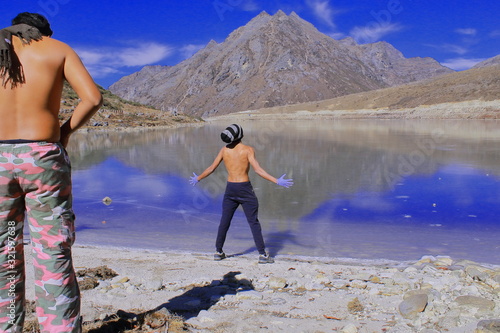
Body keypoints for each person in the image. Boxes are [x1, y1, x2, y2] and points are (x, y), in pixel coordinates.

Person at [0, 12, 102, 333]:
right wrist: (65, 132)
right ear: (43, 31)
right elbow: (93, 99)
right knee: (52, 251)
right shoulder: (58, 48)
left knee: (4, 253)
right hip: (43, 156)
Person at [190, 124, 293, 264]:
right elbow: (258, 170)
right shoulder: (248, 150)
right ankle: (263, 255)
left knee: (224, 221)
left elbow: (211, 168)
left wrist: (198, 178)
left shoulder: (224, 150)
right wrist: (276, 180)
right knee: (253, 222)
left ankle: (218, 252)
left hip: (230, 188)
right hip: (244, 189)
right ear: (241, 136)